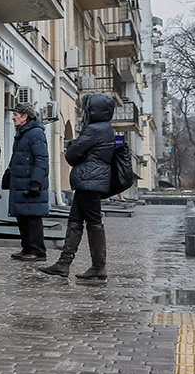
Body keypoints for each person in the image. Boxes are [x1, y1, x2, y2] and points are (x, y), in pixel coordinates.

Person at [41, 93, 115, 279]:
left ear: (93, 110)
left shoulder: (94, 130)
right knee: (75, 219)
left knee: (94, 222)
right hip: (91, 181)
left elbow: (72, 154)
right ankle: (64, 264)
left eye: (88, 108)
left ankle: (99, 267)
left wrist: (74, 146)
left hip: (89, 181)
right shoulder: (106, 128)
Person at [6, 102, 50, 261]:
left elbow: (41, 159)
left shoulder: (35, 133)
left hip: (31, 183)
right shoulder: (24, 133)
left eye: (16, 114)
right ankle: (27, 248)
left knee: (32, 217)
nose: (13, 117)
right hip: (21, 182)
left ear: (25, 117)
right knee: (23, 216)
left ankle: (38, 251)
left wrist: (36, 182)